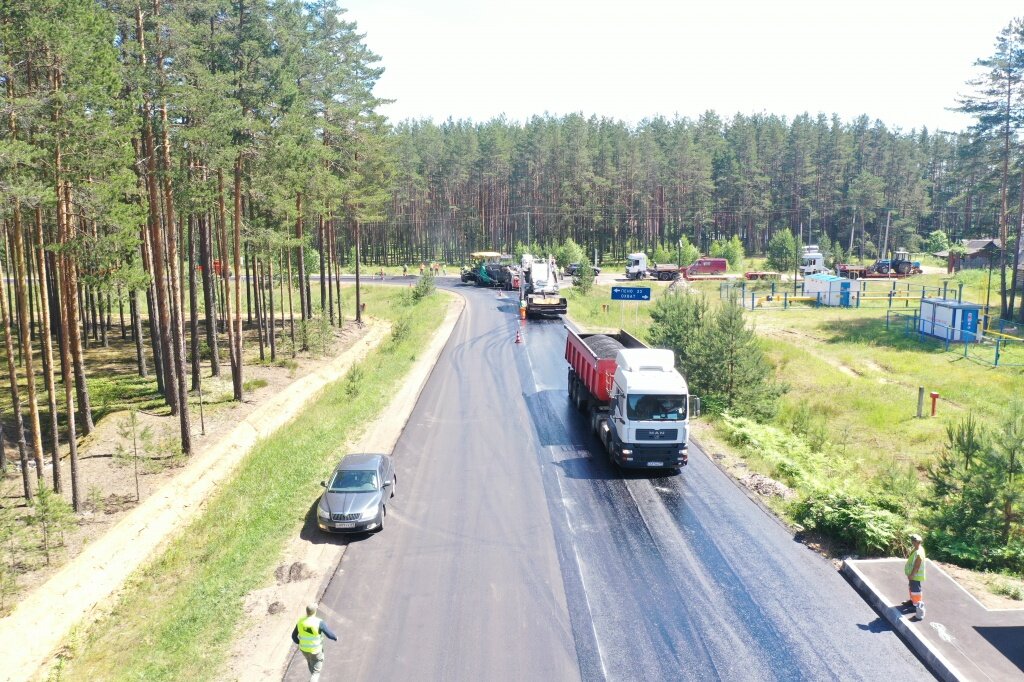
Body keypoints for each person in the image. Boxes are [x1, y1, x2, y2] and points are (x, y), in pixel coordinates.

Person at [292, 603, 338, 682]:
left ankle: (313, 677)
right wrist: (335, 638)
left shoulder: (300, 622)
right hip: (315, 651)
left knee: (310, 662)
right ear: (315, 611)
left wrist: (300, 643)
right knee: (316, 672)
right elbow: (329, 634)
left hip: (304, 650)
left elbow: (293, 636)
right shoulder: (319, 622)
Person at [903, 533, 927, 621]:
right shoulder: (918, 549)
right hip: (913, 575)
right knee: (912, 589)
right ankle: (912, 602)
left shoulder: (919, 553)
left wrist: (912, 575)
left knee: (916, 591)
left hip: (915, 576)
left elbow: (917, 565)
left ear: (915, 542)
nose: (911, 542)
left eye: (912, 541)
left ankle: (916, 606)